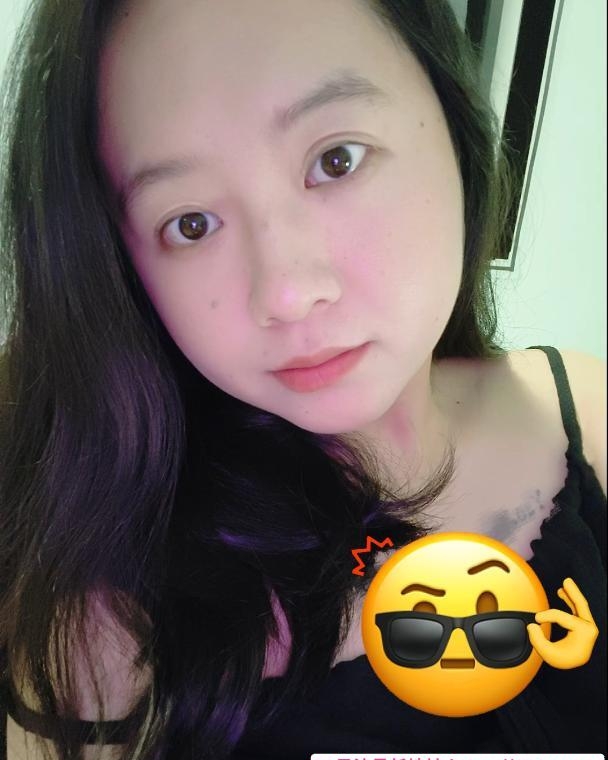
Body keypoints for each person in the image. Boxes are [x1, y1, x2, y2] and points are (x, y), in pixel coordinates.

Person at [0, 0, 605, 758]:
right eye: (191, 223)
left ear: (452, 123)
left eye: (337, 159)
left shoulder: (586, 412)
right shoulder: (104, 639)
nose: (287, 293)